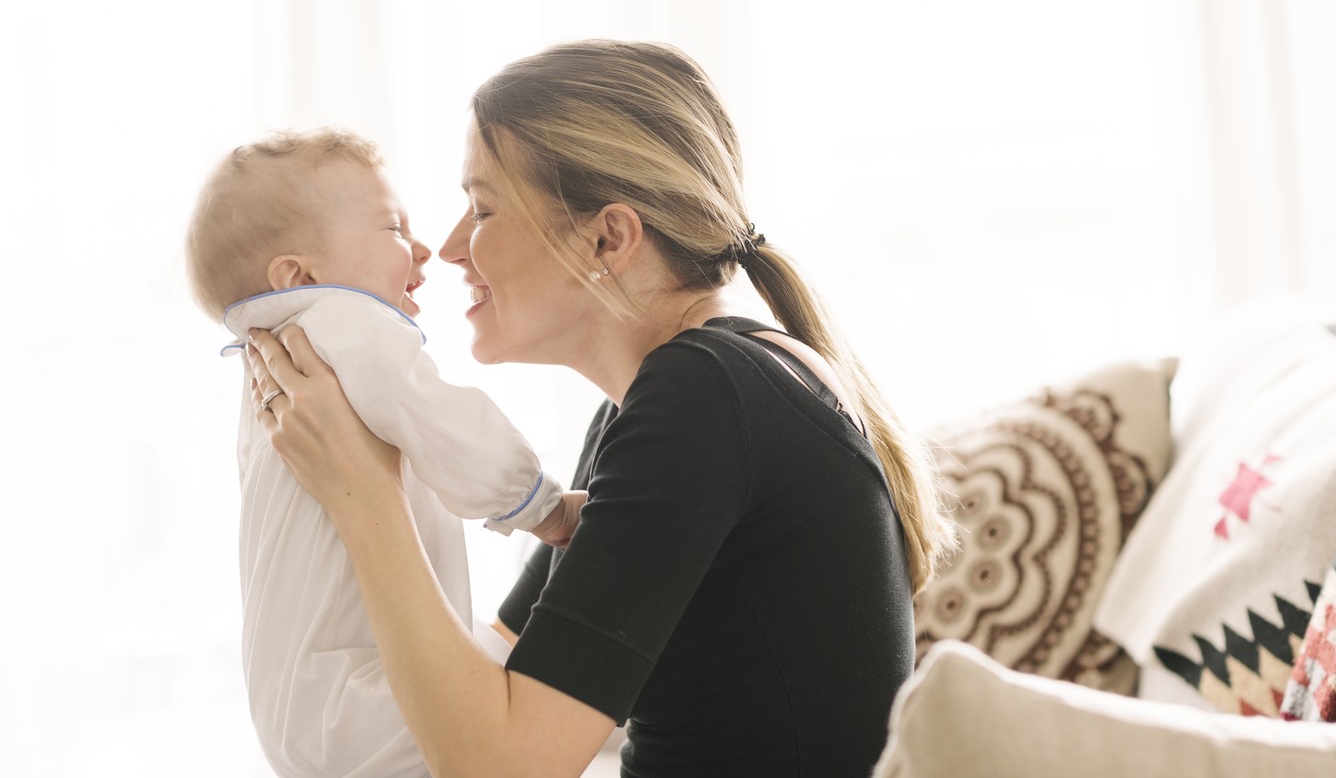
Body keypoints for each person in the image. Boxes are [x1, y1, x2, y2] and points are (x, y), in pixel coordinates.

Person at [244, 40, 956, 777]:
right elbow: (498, 668)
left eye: (482, 207)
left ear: (608, 237)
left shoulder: (706, 397)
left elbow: (500, 766)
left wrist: (364, 494)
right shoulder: (666, 400)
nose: (450, 247)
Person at [186, 128, 582, 777]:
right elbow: (450, 427)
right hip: (363, 693)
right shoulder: (346, 327)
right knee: (540, 713)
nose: (425, 247)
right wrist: (546, 509)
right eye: (394, 228)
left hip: (304, 706)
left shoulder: (274, 360)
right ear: (300, 275)